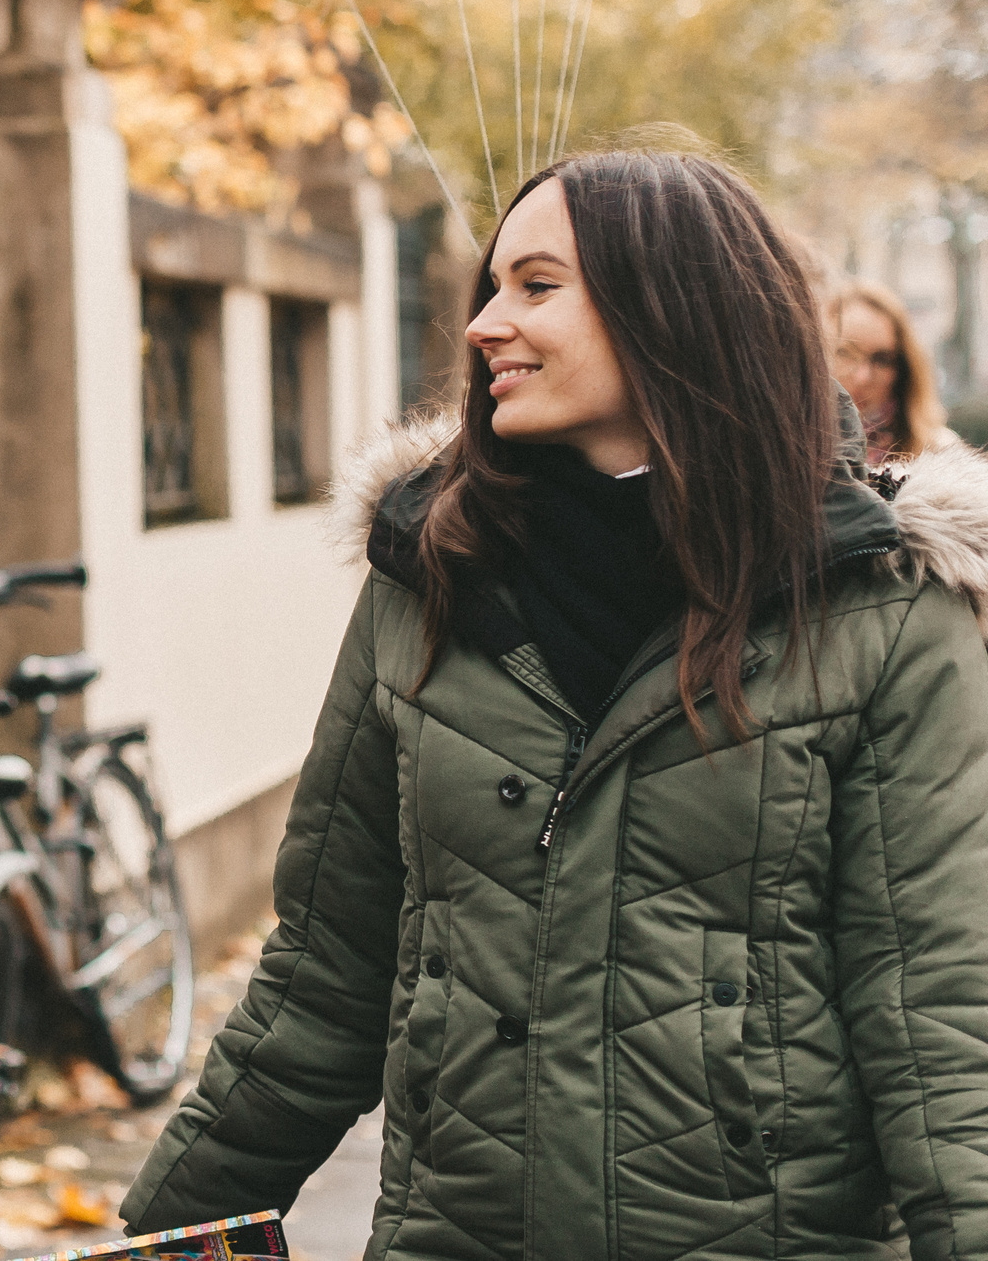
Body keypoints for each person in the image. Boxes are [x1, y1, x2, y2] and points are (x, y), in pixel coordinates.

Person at [119, 150, 988, 1259]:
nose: (484, 324)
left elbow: (941, 1025)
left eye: (535, 287)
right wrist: (163, 1239)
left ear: (672, 309)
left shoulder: (878, 608)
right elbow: (322, 981)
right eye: (492, 287)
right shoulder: (427, 579)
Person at [828, 278, 952, 466]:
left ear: (902, 369)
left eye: (882, 360)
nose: (863, 377)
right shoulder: (794, 448)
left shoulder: (941, 454)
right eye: (845, 353)